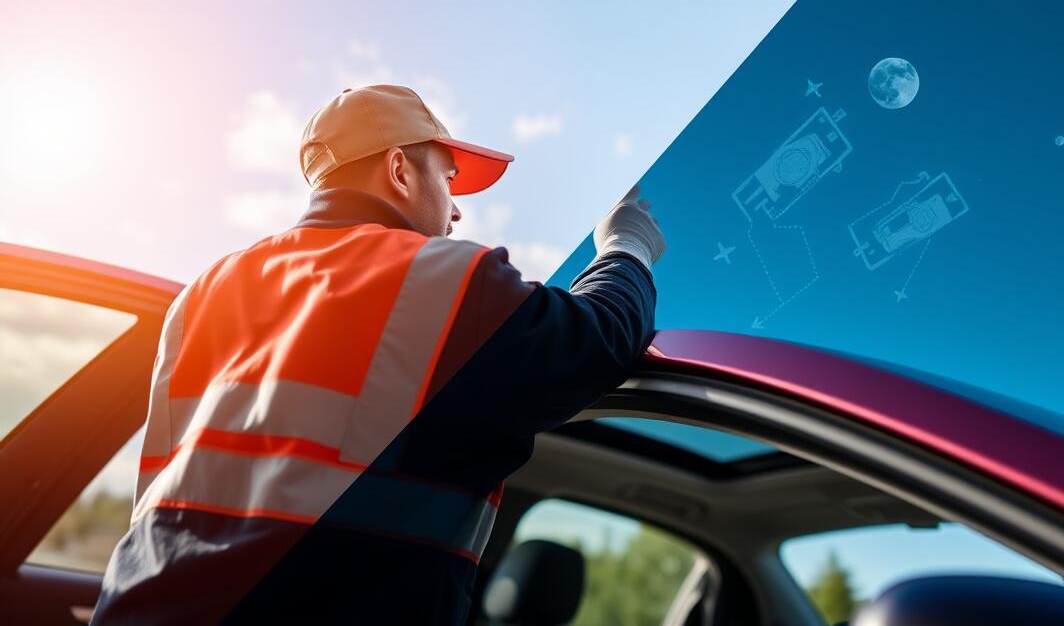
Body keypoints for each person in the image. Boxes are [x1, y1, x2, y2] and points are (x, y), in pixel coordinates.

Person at [92, 84, 665, 624]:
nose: (456, 213)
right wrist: (627, 244)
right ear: (398, 171)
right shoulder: (442, 280)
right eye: (448, 180)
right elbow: (599, 339)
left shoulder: (204, 292)